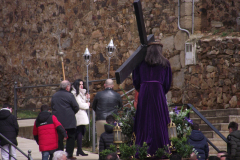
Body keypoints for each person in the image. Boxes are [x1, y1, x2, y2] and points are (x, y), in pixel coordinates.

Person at [132, 41, 172, 155]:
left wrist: (143, 87)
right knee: (159, 119)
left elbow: (136, 81)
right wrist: (159, 89)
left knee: (144, 118)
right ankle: (161, 148)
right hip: (158, 92)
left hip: (144, 91)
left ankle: (142, 149)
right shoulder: (165, 63)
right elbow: (167, 83)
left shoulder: (140, 63)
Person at [51, 80, 79, 159]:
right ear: (67, 87)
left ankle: (59, 156)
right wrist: (71, 113)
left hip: (58, 121)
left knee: (59, 139)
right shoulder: (70, 95)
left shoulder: (55, 95)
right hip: (69, 121)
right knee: (71, 138)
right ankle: (69, 155)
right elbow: (76, 107)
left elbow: (52, 106)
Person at [92, 79, 123, 151]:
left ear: (104, 85)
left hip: (100, 118)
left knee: (100, 136)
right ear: (113, 85)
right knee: (113, 138)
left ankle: (100, 154)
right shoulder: (117, 95)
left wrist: (99, 112)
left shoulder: (98, 94)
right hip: (113, 119)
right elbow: (120, 107)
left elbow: (93, 107)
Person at [71, 79, 90, 156]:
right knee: (79, 132)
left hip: (81, 115)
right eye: (80, 84)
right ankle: (79, 149)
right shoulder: (75, 93)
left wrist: (86, 98)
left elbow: (82, 102)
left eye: (82, 84)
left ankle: (79, 149)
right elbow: (79, 105)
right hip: (79, 115)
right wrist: (87, 105)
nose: (81, 86)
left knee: (81, 132)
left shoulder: (80, 93)